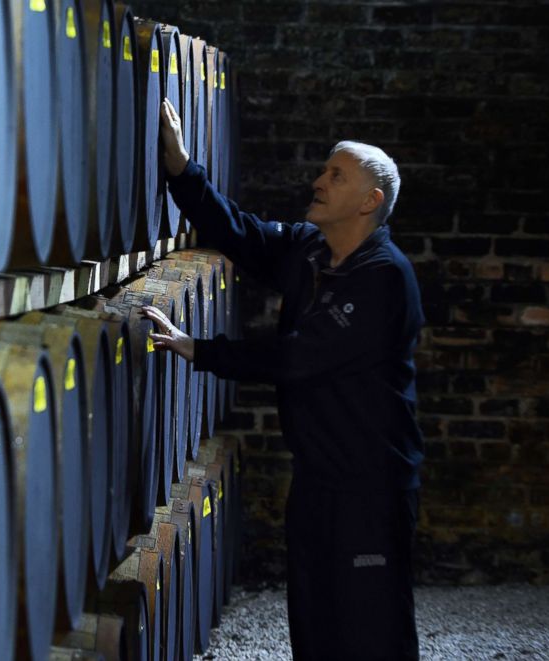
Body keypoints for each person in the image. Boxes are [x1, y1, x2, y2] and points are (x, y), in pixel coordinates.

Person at [143, 98, 424, 660]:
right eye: (324, 168)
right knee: (316, 619)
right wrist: (181, 169)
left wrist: (200, 349)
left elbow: (300, 357)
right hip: (319, 473)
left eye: (335, 175)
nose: (319, 180)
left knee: (371, 626)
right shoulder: (311, 249)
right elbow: (240, 233)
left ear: (370, 201)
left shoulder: (383, 277)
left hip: (369, 484)